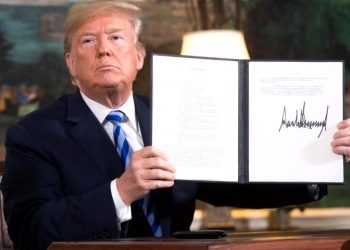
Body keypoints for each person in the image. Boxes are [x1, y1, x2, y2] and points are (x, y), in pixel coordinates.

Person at [0, 1, 343, 250]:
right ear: (71, 63)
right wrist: (120, 191)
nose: (104, 49)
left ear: (138, 57)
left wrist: (320, 160)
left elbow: (234, 186)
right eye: (88, 41)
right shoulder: (34, 135)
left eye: (117, 38)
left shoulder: (177, 118)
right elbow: (31, 232)